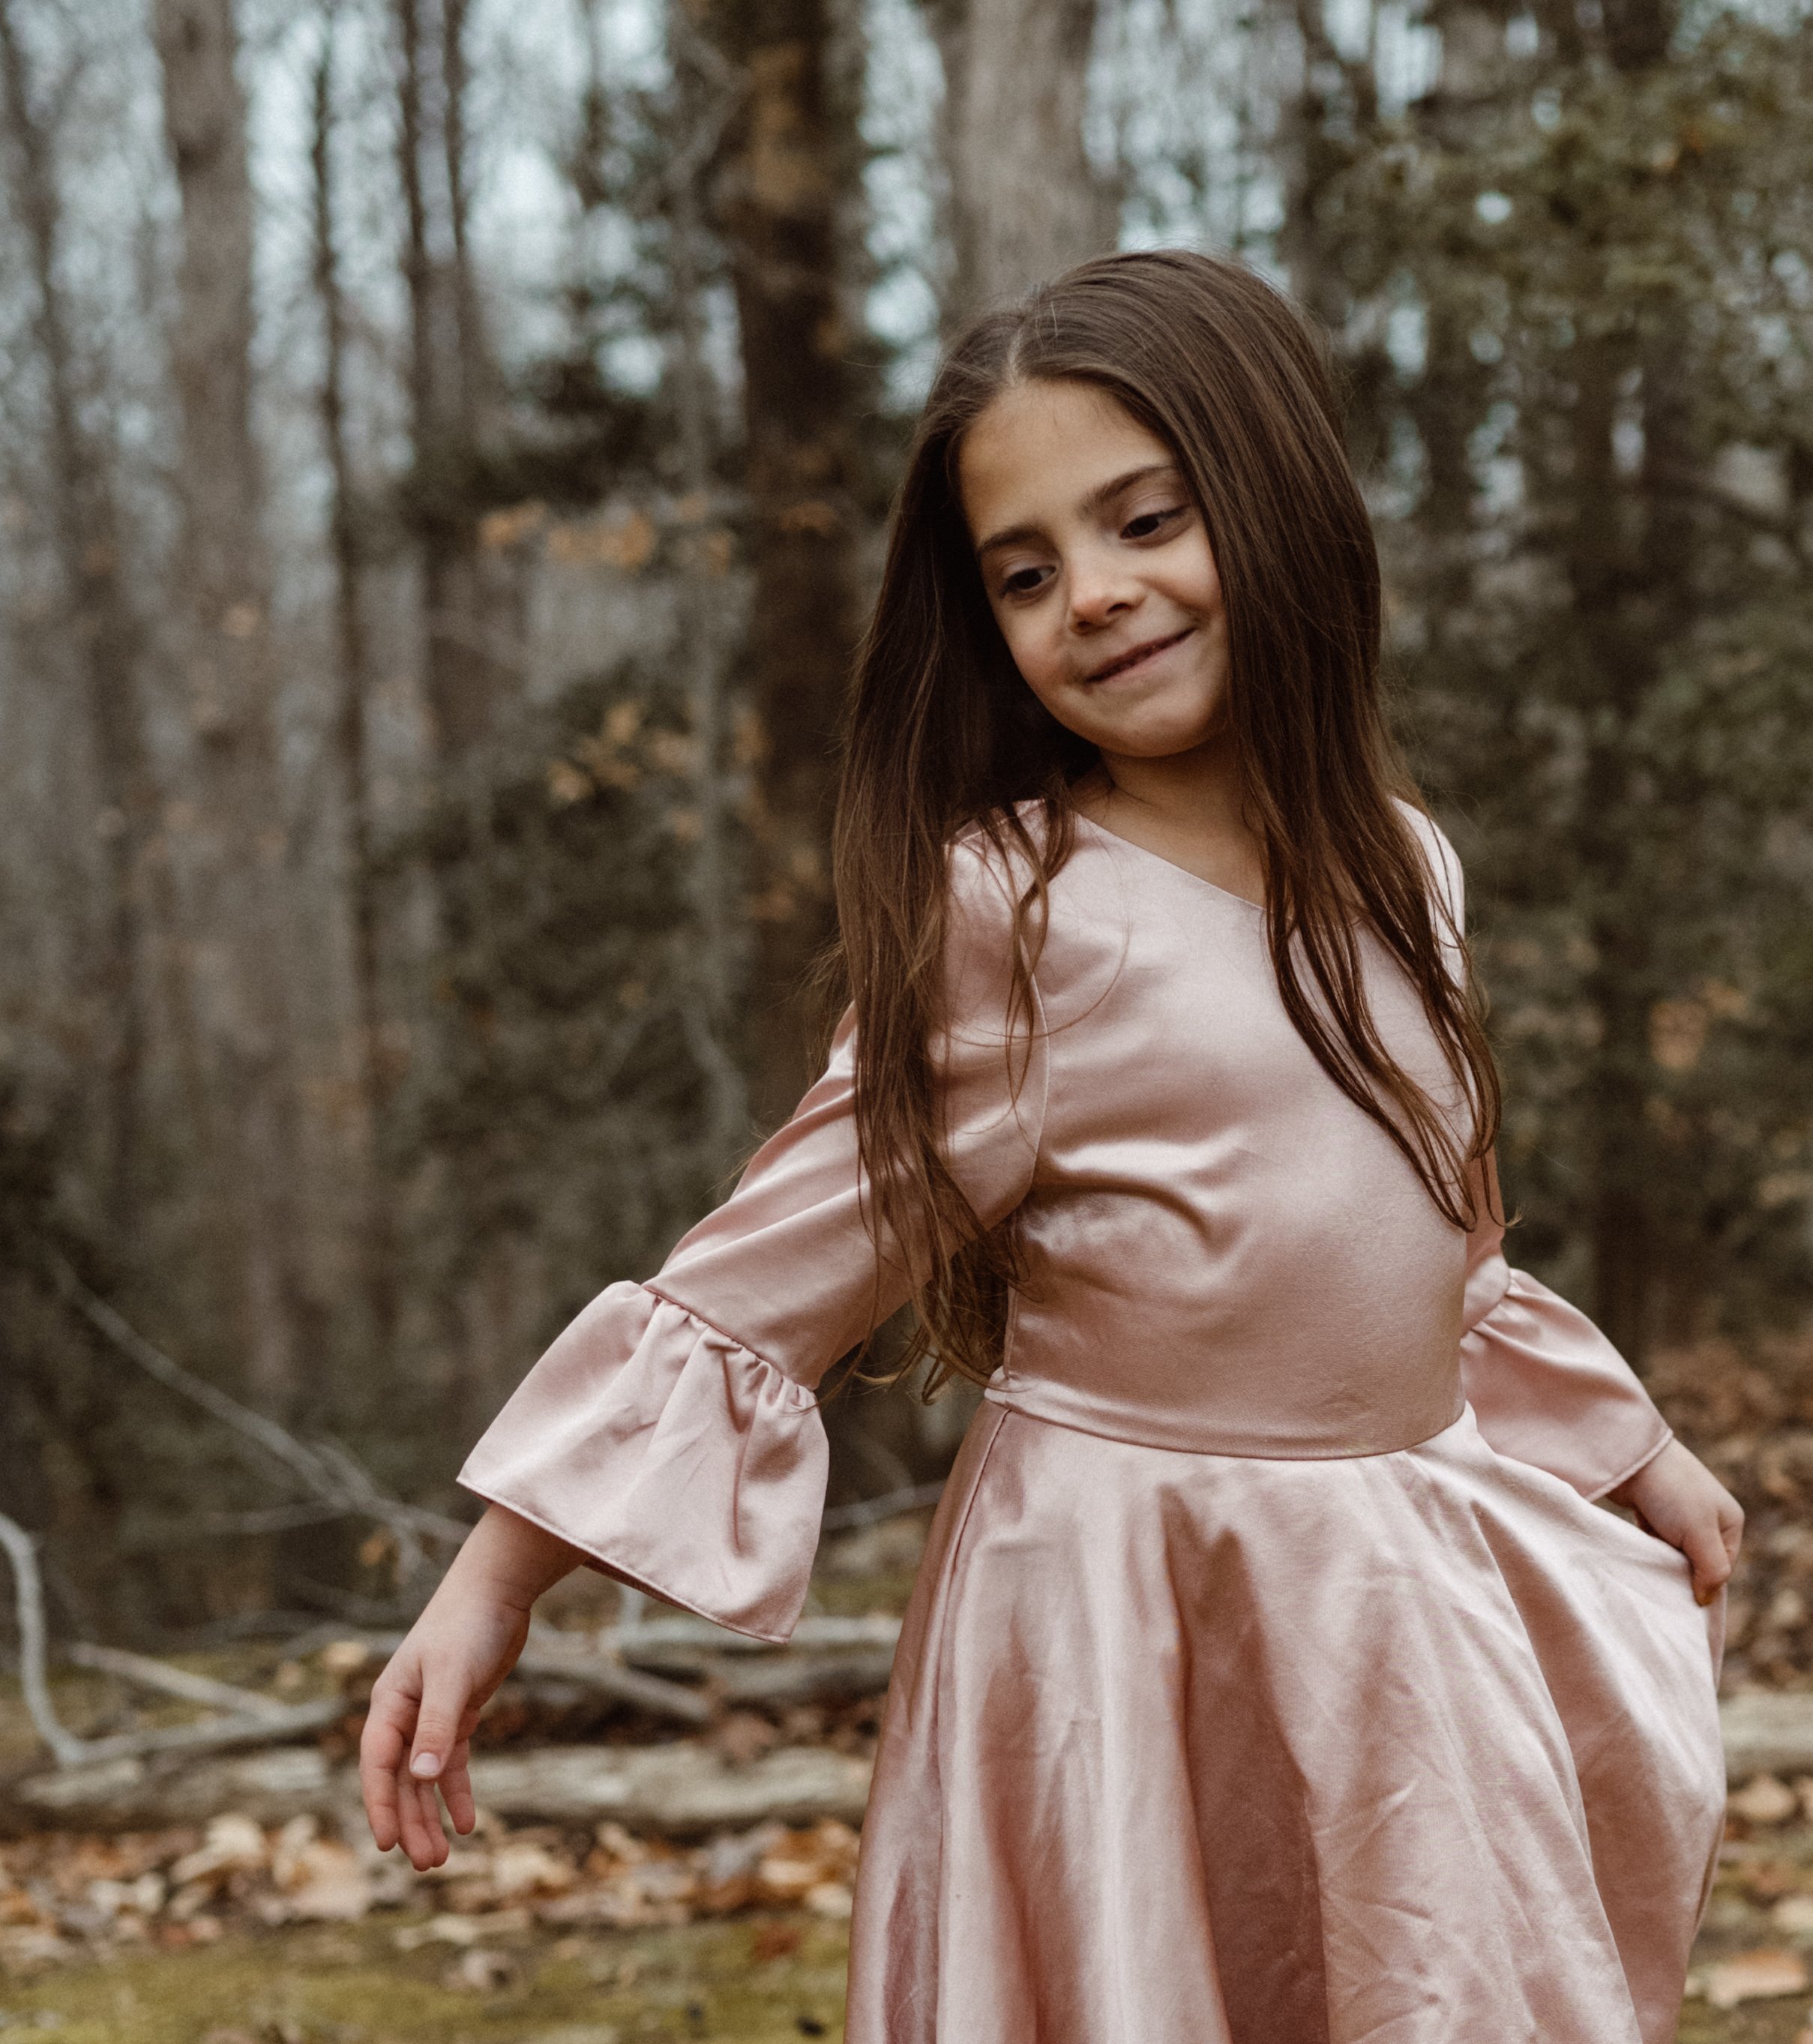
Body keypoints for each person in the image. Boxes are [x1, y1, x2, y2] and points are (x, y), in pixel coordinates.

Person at [359, 250, 1741, 2043]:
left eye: (1145, 520)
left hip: (1385, 1604)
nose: (1093, 594)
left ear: (1274, 498)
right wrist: (497, 1578)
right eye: (1025, 572)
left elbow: (1442, 1256)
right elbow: (772, 1267)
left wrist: (1631, 1446)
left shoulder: (1408, 868)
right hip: (1117, 1614)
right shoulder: (1015, 908)